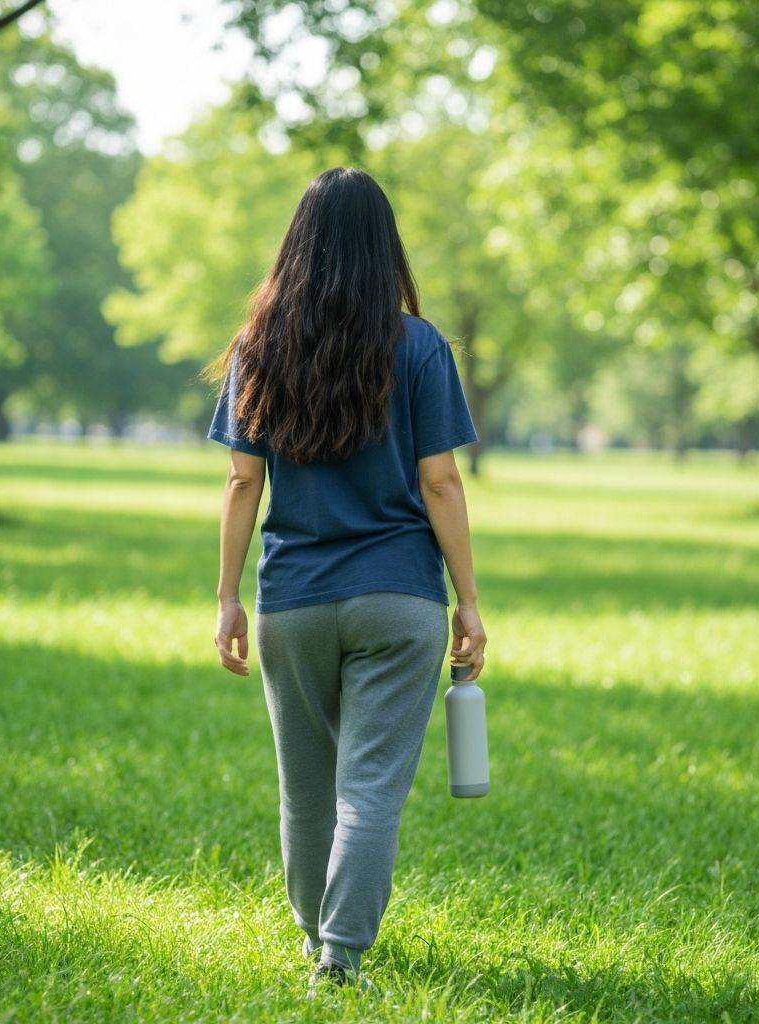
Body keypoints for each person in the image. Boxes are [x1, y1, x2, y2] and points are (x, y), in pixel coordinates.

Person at [200, 166, 487, 995]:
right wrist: (468, 600)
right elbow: (441, 482)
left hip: (293, 599)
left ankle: (312, 937)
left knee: (306, 791)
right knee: (370, 790)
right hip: (400, 598)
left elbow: (241, 483)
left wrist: (228, 596)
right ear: (383, 247)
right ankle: (342, 952)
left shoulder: (259, 344)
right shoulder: (421, 345)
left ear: (300, 243)